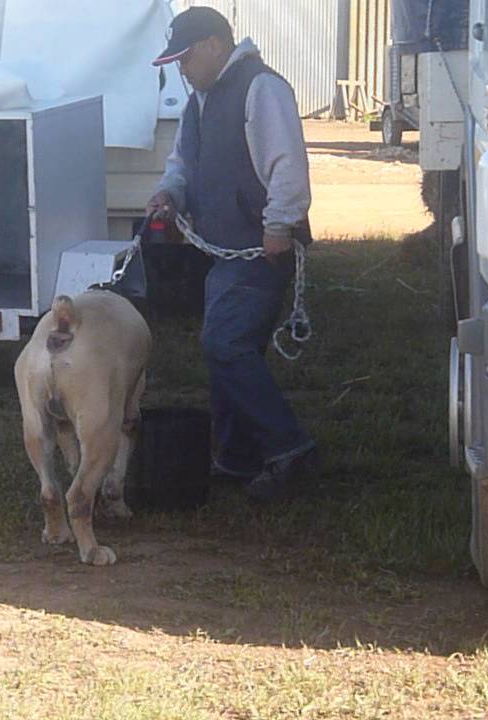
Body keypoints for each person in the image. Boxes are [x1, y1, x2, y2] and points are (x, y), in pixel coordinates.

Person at [146, 6, 317, 503]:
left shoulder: (262, 89)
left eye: (186, 57)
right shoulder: (200, 100)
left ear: (216, 46)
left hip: (260, 250)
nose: (181, 68)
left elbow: (287, 164)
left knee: (225, 345)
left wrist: (279, 224)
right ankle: (236, 457)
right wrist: (169, 194)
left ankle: (290, 449)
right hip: (226, 251)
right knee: (228, 346)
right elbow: (182, 162)